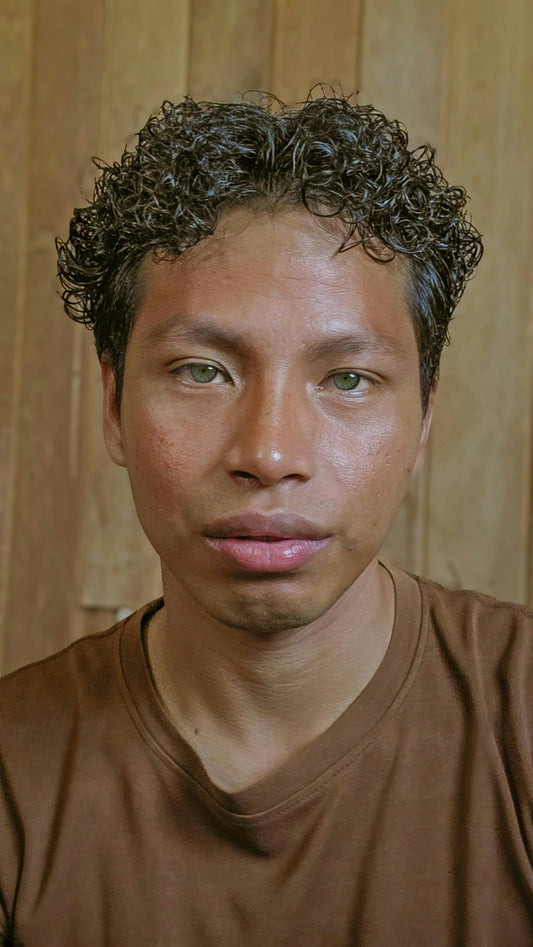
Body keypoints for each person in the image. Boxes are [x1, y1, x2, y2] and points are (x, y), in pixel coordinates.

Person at [0, 92, 531, 946]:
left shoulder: (519, 722)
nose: (270, 451)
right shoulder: (14, 778)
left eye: (348, 378)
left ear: (424, 418)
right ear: (111, 405)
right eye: (202, 370)